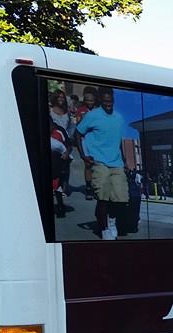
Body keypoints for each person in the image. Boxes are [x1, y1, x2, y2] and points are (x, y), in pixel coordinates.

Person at [74, 86, 129, 240]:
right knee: (103, 197)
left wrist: (124, 159)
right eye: (105, 101)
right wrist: (83, 156)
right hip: (98, 161)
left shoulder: (118, 118)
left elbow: (117, 140)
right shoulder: (92, 115)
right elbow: (77, 133)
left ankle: (111, 220)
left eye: (110, 101)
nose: (108, 104)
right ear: (100, 101)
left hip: (116, 162)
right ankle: (104, 228)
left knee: (121, 198)